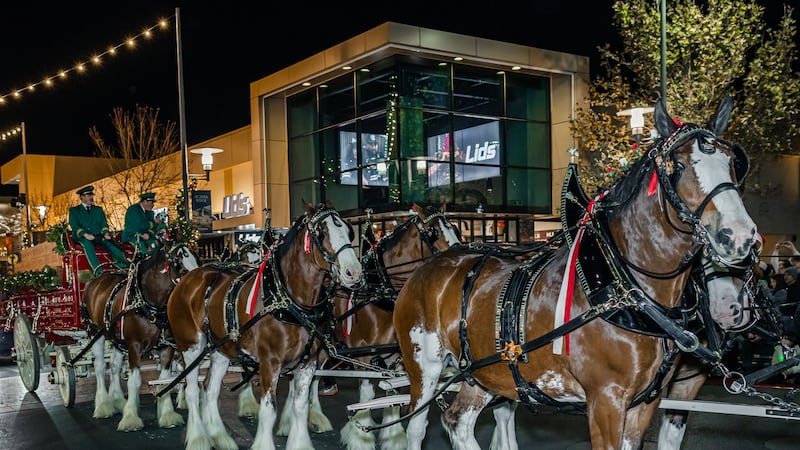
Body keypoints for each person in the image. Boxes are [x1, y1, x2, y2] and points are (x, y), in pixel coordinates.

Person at [68, 185, 129, 274]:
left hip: (97, 235)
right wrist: (85, 235)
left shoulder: (98, 210)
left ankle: (124, 263)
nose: (91, 197)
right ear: (82, 197)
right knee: (87, 245)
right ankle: (98, 271)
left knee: (109, 244)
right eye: (88, 195)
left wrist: (106, 233)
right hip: (82, 237)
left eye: (91, 195)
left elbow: (104, 224)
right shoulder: (74, 211)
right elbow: (74, 225)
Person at [122, 193, 164, 257]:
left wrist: (149, 233)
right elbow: (139, 226)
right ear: (144, 202)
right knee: (144, 251)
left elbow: (153, 228)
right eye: (151, 203)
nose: (153, 205)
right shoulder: (133, 209)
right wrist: (154, 223)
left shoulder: (150, 213)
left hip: (146, 237)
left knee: (157, 245)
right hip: (132, 236)